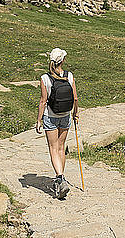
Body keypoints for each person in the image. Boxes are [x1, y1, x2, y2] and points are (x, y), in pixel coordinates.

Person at [36, 47, 78, 199]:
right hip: (66, 115)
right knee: (61, 148)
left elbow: (43, 101)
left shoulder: (44, 78)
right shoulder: (69, 76)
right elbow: (75, 98)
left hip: (51, 116)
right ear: (63, 60)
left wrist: (39, 120)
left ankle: (60, 178)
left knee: (53, 148)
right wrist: (76, 113)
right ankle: (61, 179)